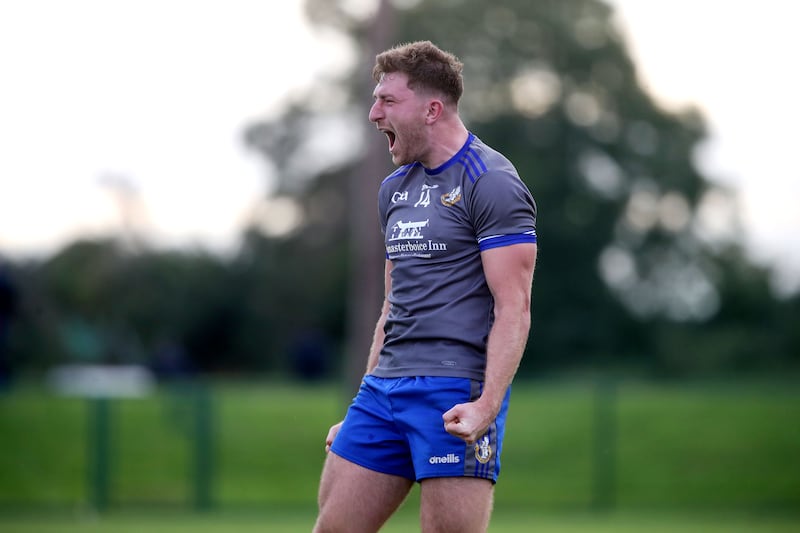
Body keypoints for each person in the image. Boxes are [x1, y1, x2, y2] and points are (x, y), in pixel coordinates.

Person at [314, 40, 538, 533]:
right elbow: (393, 303)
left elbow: (514, 307)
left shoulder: (492, 181)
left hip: (453, 390)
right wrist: (362, 398)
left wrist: (487, 405)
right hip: (383, 389)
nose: (374, 114)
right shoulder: (394, 189)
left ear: (432, 109)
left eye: (387, 102)